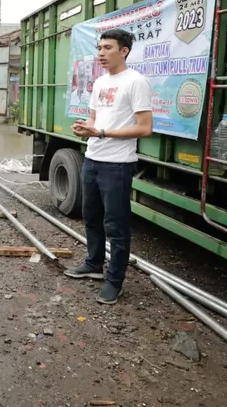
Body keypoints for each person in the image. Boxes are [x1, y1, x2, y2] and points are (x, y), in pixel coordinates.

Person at [65, 28, 153, 305]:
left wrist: (102, 132)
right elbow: (95, 121)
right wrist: (85, 128)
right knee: (91, 217)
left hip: (117, 165)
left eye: (107, 48)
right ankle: (93, 265)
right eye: (99, 48)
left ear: (123, 51)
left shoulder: (136, 82)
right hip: (93, 159)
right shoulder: (101, 82)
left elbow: (144, 128)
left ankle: (115, 281)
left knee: (115, 225)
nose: (101, 53)